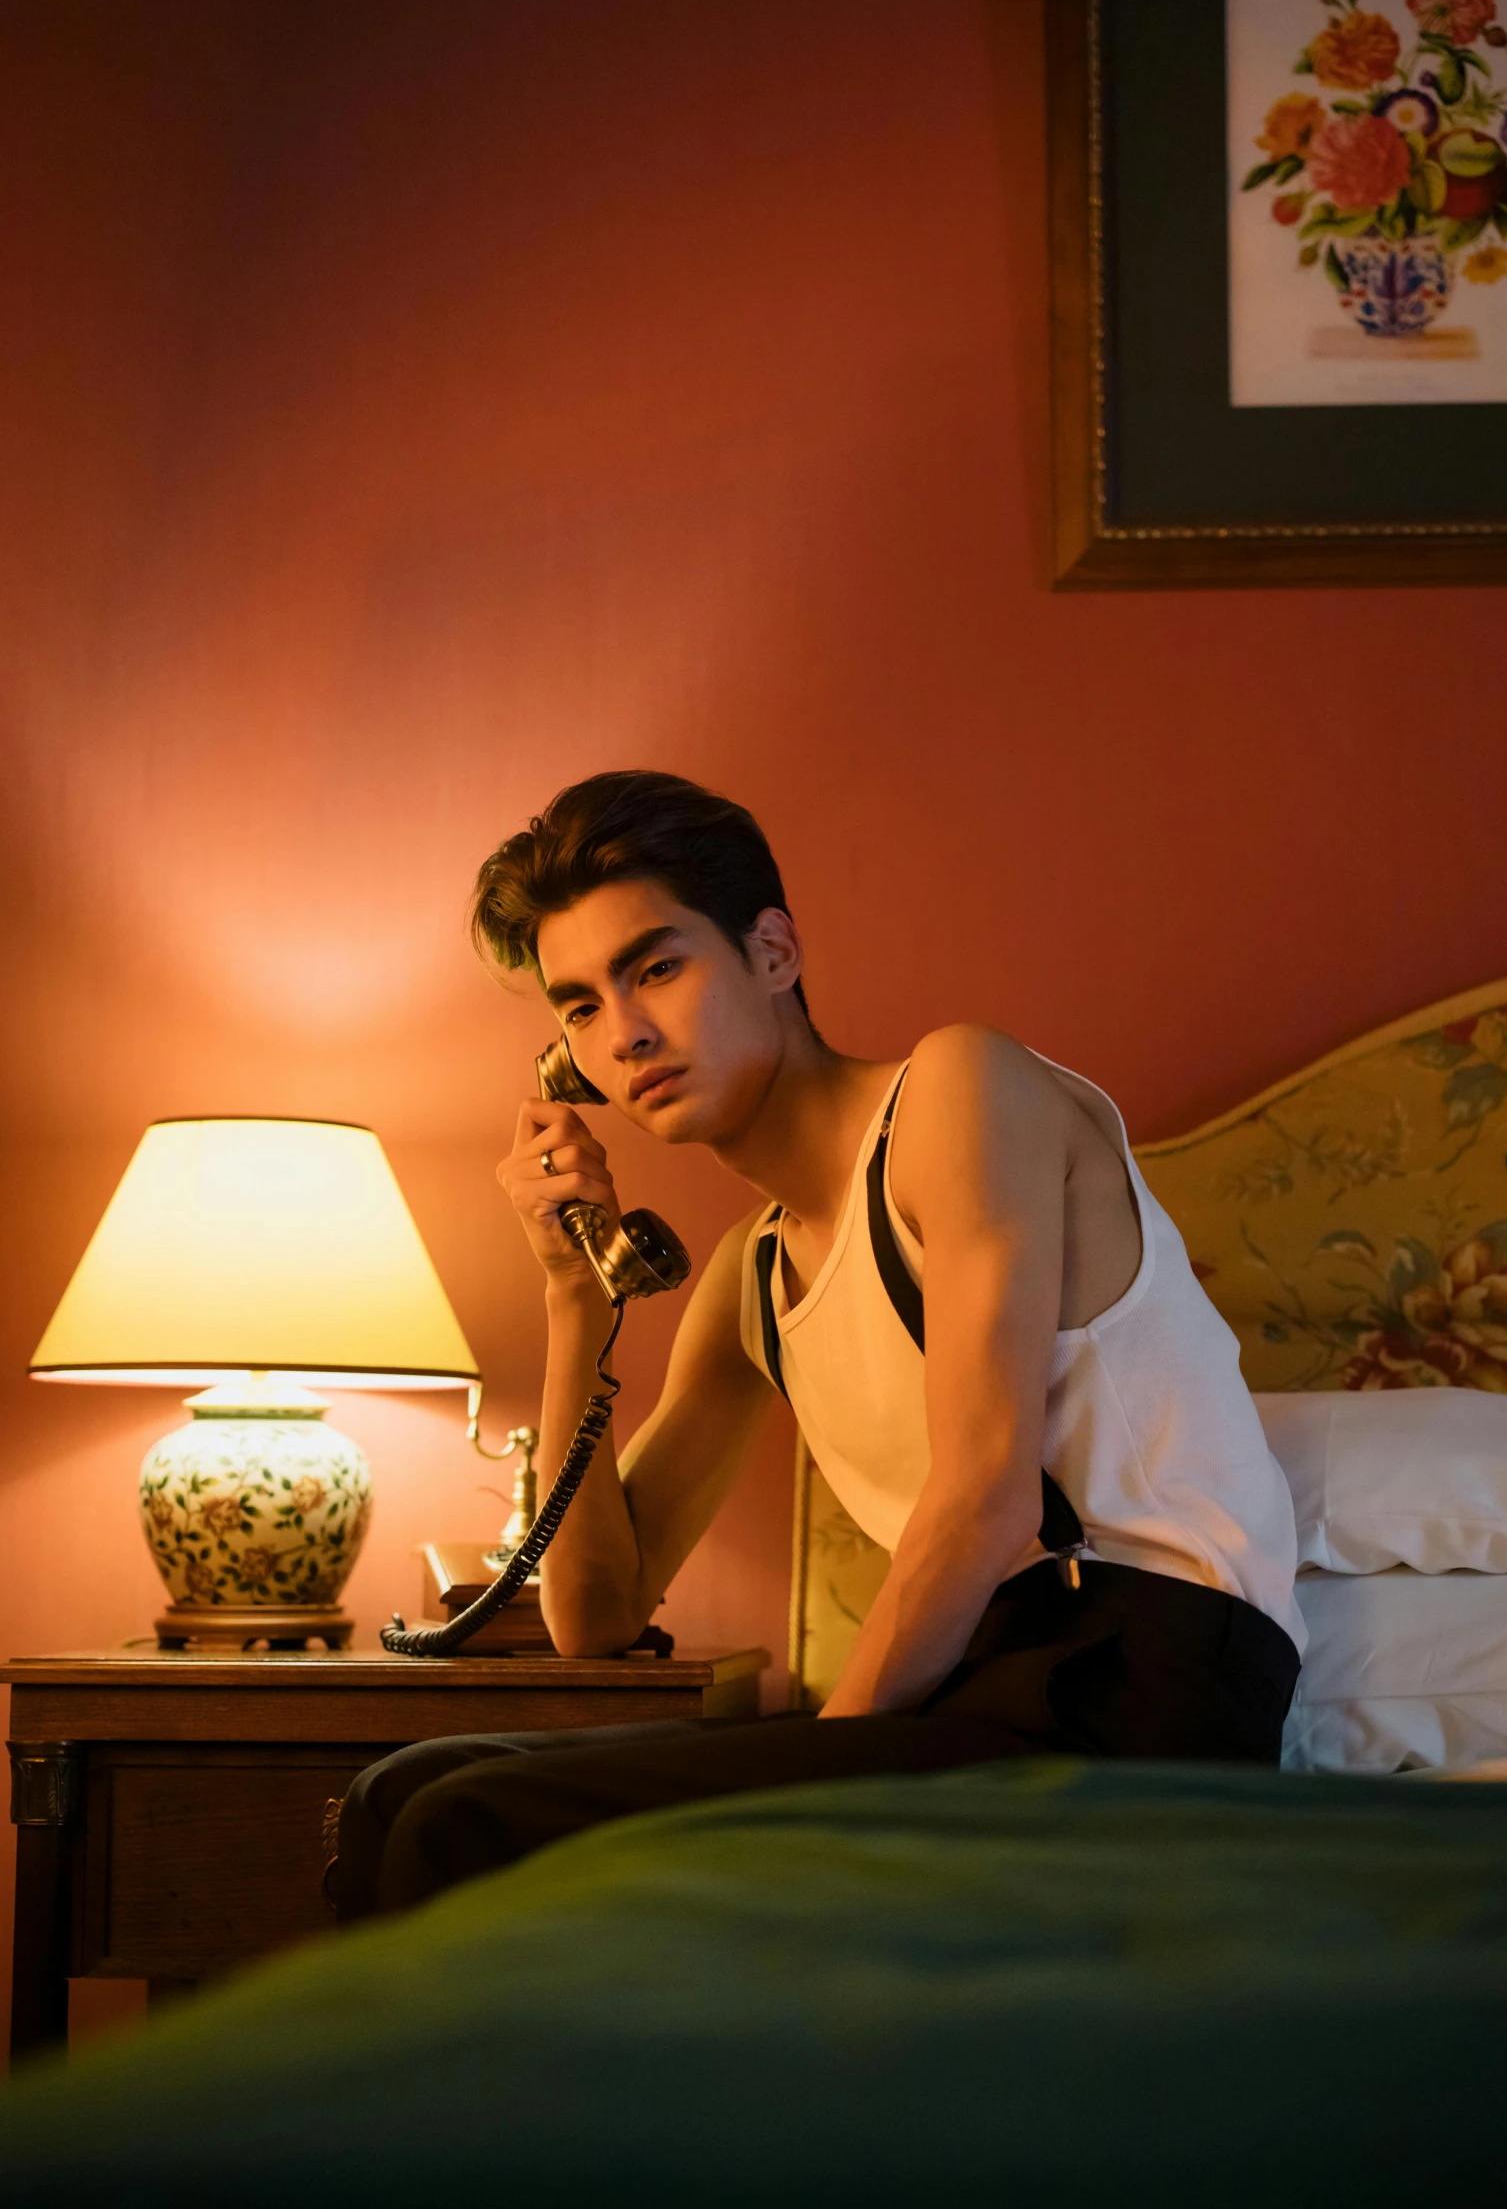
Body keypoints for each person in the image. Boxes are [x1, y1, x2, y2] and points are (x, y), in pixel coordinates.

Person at [334, 770, 1303, 1920]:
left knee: (466, 1821)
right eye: (579, 1008)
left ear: (774, 950)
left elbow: (985, 1506)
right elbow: (593, 1613)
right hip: (970, 1696)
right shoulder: (751, 1278)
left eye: (657, 966)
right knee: (406, 1787)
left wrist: (796, 1793)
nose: (626, 1032)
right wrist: (573, 1292)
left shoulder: (959, 1089)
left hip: (1137, 1678)